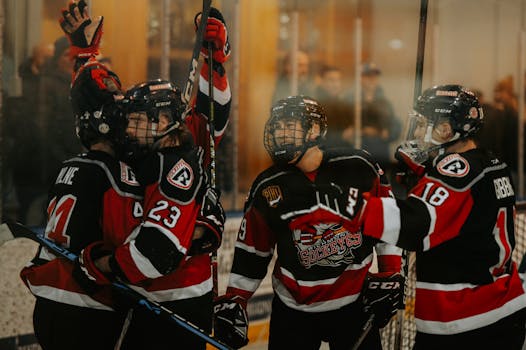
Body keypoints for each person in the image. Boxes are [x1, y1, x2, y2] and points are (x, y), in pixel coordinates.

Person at [58, 2, 231, 348]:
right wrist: (85, 54)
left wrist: (217, 61)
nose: (130, 123)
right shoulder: (138, 145)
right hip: (137, 294)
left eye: (139, 116)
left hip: (177, 295)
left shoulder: (183, 147)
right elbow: (96, 104)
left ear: (164, 120)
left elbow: (215, 116)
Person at [214, 95, 403, 349]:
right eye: (277, 126)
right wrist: (237, 299)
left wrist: (390, 272)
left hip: (355, 303)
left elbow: (388, 223)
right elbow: (253, 251)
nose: (280, 134)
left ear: (313, 129)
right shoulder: (267, 185)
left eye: (288, 125)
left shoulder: (358, 166)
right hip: (293, 309)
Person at [344, 85, 526, 349]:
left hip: (465, 321)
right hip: (501, 309)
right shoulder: (489, 162)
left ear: (446, 130)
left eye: (422, 124)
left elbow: (415, 225)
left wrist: (352, 206)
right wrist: (425, 174)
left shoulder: (455, 173)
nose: (417, 132)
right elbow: (462, 213)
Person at [19, 52, 144, 349]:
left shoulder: (68, 166)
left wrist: (83, 51)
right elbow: (127, 242)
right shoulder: (115, 174)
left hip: (47, 303)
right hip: (86, 306)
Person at [314, 65, 354, 148]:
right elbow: (315, 136)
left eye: (338, 80)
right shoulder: (315, 104)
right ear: (321, 81)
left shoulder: (343, 104)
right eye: (331, 80)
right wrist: (341, 136)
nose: (336, 84)